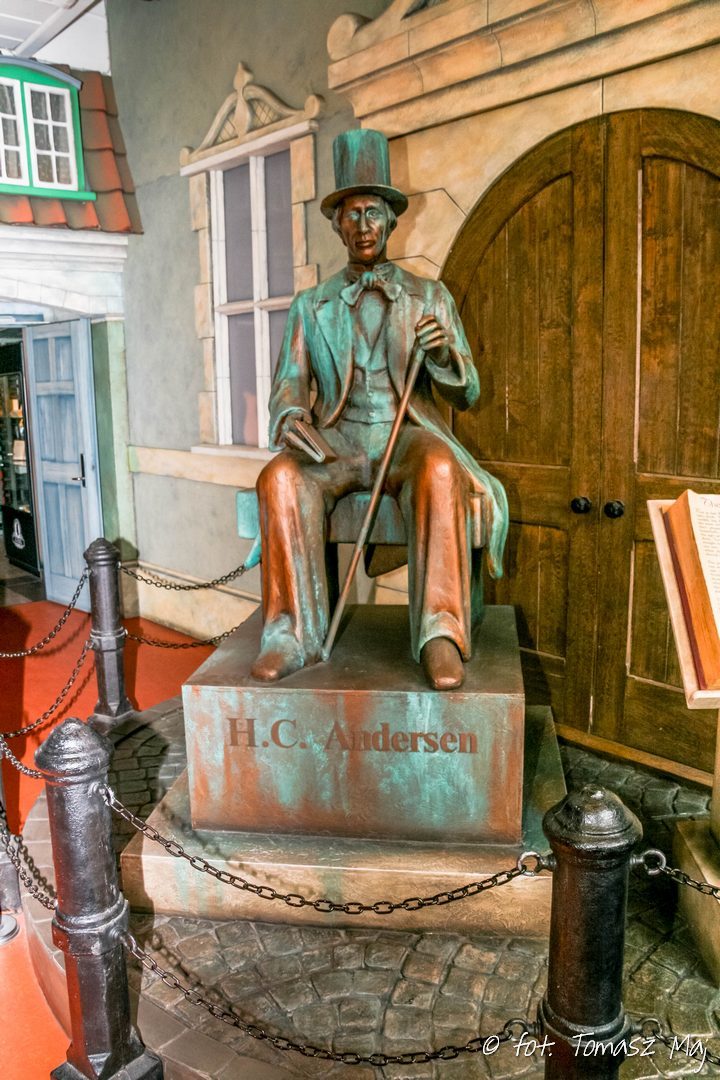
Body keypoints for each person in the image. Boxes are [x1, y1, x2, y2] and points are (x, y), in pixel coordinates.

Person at [251, 129, 507, 690]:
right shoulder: (310, 306)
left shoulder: (430, 297)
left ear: (391, 221)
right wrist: (290, 417)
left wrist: (443, 355)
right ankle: (290, 634)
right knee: (279, 478)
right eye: (352, 214)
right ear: (337, 224)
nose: (363, 225)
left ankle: (440, 633)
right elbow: (288, 383)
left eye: (373, 213)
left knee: (440, 467)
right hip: (337, 439)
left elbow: (468, 393)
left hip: (404, 434)